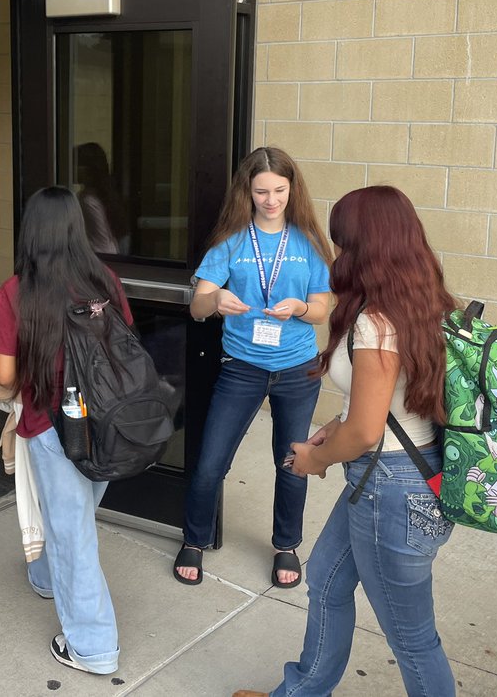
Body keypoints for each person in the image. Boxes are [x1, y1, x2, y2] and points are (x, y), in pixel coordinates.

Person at [234, 185, 458, 697]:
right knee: (328, 582)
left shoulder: (376, 324)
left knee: (411, 637)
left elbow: (366, 431)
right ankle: (301, 692)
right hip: (397, 476)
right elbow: (387, 408)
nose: (336, 253)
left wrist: (317, 458)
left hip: (390, 489)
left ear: (364, 247)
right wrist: (335, 431)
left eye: (341, 242)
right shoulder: (425, 303)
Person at [0, 186, 132, 676]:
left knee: (72, 531)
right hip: (107, 419)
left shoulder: (17, 291)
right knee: (73, 513)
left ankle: (93, 647)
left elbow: (3, 376)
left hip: (52, 423)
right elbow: (124, 341)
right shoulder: (103, 278)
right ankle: (45, 575)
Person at [175, 146, 333, 589]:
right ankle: (195, 539)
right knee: (210, 463)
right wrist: (215, 300)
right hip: (242, 366)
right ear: (247, 190)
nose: (270, 200)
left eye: (279, 190)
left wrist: (301, 307)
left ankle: (287, 544)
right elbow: (198, 307)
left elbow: (322, 309)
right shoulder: (232, 240)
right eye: (261, 190)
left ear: (291, 189)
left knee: (292, 460)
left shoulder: (307, 241)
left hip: (298, 370)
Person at [73, 142, 127, 255]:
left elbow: (100, 244)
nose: (72, 167)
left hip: (101, 260)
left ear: (89, 169)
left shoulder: (88, 201)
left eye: (76, 164)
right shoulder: (101, 194)